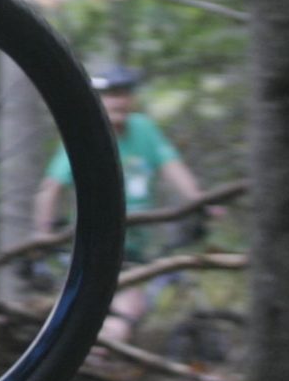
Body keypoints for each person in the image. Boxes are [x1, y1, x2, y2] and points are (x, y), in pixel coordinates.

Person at [32, 65, 206, 345]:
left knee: (120, 316)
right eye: (111, 94)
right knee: (120, 318)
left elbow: (173, 168)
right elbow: (51, 188)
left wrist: (199, 201)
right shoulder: (86, 133)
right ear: (97, 99)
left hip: (134, 250)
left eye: (124, 93)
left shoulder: (144, 130)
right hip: (95, 250)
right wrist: (43, 235)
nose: (118, 101)